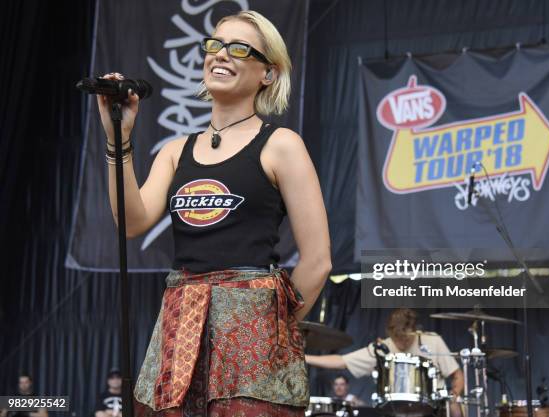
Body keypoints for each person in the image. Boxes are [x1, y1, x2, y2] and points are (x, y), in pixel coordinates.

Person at [95, 9, 331, 417]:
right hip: (180, 320)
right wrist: (120, 137)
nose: (220, 55)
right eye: (214, 45)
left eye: (239, 48)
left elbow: (317, 261)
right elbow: (131, 223)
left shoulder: (281, 144)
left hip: (251, 328)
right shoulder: (175, 151)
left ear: (268, 74)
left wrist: (274, 329)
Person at [305, 309, 464, 417]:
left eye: (406, 337)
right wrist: (303, 357)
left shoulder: (432, 341)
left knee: (456, 409)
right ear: (389, 331)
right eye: (397, 337)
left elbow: (457, 375)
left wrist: (453, 396)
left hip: (433, 409)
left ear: (415, 330)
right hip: (394, 411)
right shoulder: (383, 347)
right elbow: (341, 361)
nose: (401, 341)